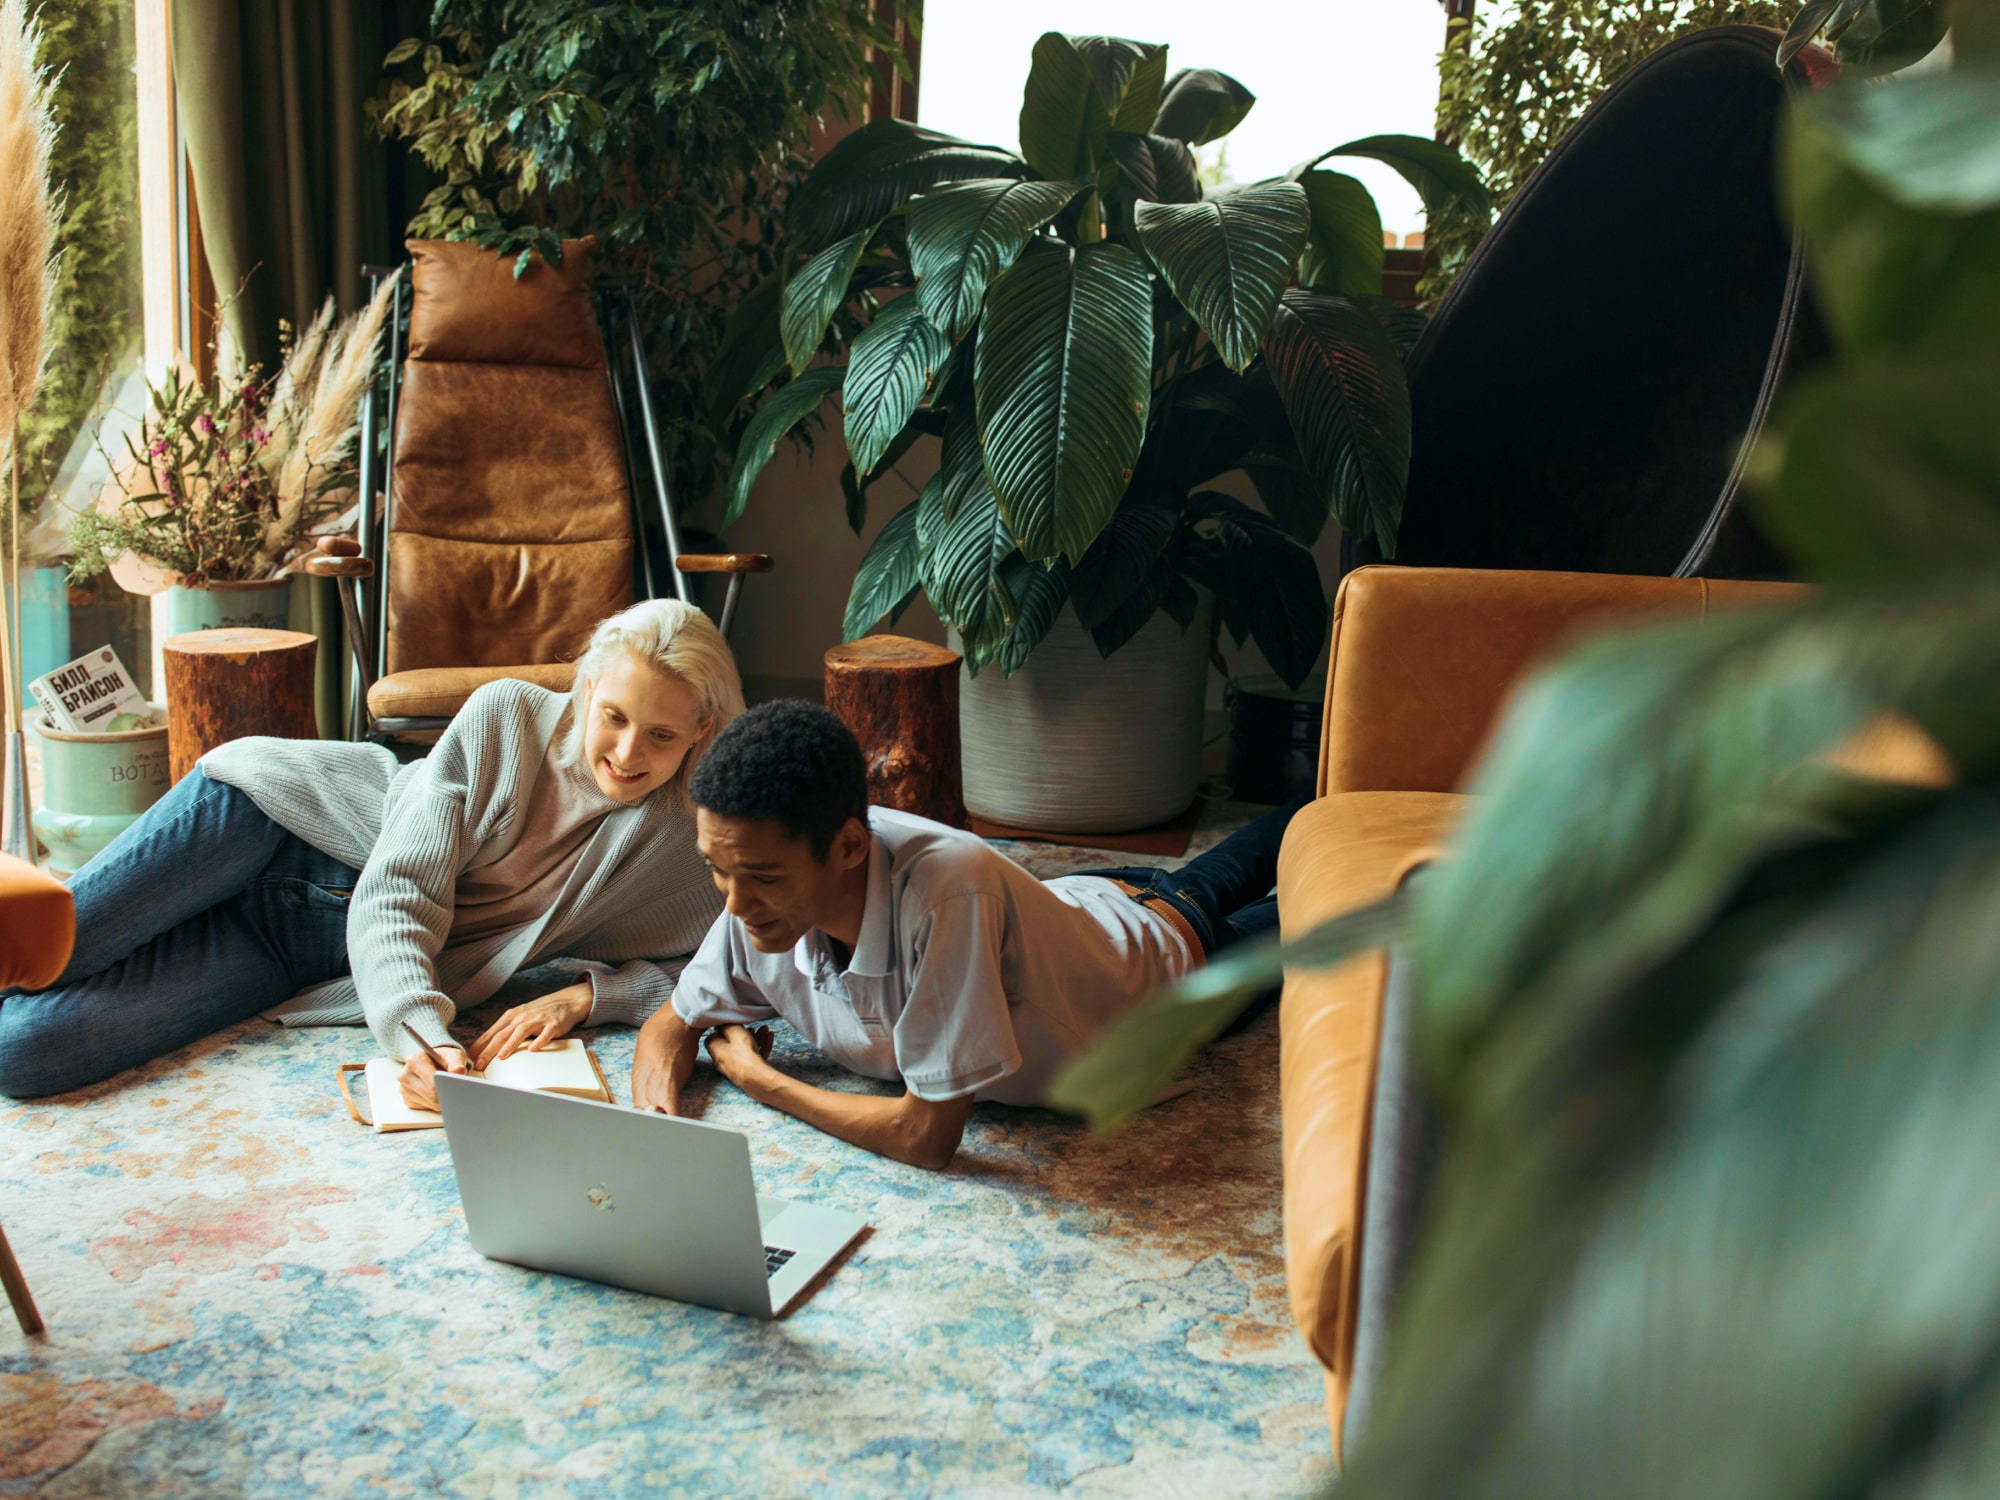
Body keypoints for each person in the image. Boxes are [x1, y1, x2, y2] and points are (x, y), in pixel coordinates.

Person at [0, 599, 745, 1105]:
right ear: (587, 689)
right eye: (613, 716)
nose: (626, 751)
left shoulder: (686, 840)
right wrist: (417, 1029)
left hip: (296, 949)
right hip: (266, 825)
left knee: (26, 1050)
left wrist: (591, 995)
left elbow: (727, 964)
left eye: (662, 735)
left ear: (702, 732)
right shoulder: (507, 717)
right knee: (35, 949)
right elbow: (399, 892)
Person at [632, 700, 1302, 1169]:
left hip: (1166, 956)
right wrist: (651, 1131)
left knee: (1336, 888)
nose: (736, 903)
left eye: (760, 877)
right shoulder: (758, 889)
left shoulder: (946, 893)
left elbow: (926, 1138)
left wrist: (760, 1081)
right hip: (1077, 903)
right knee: (1274, 844)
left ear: (846, 847)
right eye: (716, 869)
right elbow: (675, 1021)